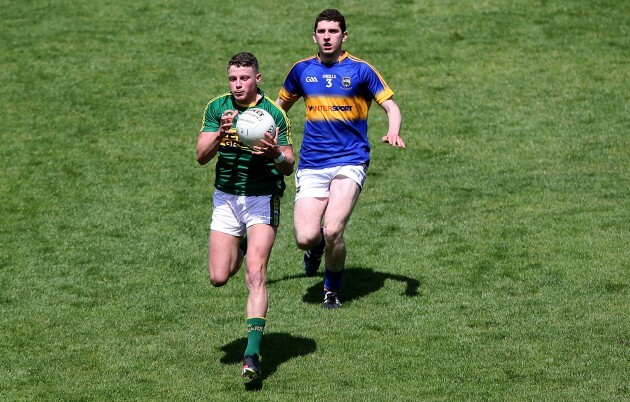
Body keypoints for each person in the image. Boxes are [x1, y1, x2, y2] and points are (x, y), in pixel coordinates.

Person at [276, 9, 404, 309]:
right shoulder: (301, 71)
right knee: (305, 237)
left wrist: (393, 131)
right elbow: (279, 109)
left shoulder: (360, 70)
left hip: (351, 160)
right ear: (314, 36)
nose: (327, 37)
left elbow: (391, 106)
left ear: (343, 36)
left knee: (334, 229)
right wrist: (272, 141)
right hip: (312, 163)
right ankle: (316, 248)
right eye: (322, 32)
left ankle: (331, 290)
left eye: (333, 32)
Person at [196, 52, 295, 381]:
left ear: (257, 79)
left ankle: (252, 354)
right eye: (233, 79)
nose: (237, 85)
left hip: (262, 198)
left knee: (255, 274)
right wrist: (220, 136)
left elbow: (289, 164)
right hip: (226, 199)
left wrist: (274, 153)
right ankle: (238, 246)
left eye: (244, 79)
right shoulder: (217, 108)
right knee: (218, 277)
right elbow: (200, 156)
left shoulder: (273, 114)